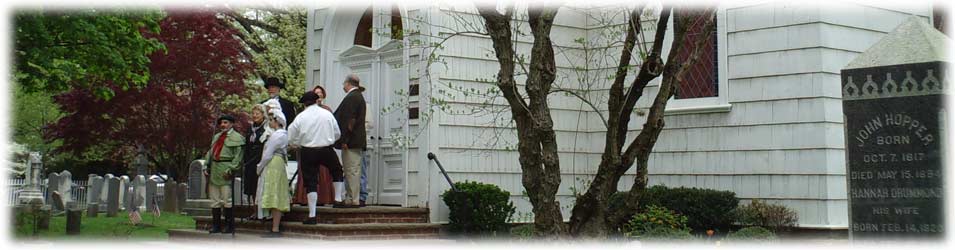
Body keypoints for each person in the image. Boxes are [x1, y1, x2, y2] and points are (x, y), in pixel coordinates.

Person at [288, 90, 346, 224]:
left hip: (308, 151)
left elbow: (290, 136)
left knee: (311, 182)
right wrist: (329, 139)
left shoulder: (300, 117)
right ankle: (337, 199)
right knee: (337, 171)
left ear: (304, 104)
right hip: (326, 149)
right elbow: (337, 133)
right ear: (316, 101)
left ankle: (312, 215)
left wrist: (297, 144)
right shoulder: (327, 114)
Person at [204, 114, 245, 234]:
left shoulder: (238, 138)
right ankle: (216, 225)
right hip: (214, 168)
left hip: (226, 168)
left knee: (227, 198)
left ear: (231, 124)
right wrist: (207, 165)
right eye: (221, 123)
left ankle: (229, 225)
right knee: (214, 199)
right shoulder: (217, 136)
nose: (223, 125)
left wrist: (231, 169)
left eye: (226, 122)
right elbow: (211, 152)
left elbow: (238, 156)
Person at [333, 74, 367, 208]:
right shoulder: (358, 96)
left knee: (351, 170)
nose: (343, 86)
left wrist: (344, 139)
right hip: (356, 140)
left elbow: (349, 121)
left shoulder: (352, 97)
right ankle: (352, 197)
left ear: (348, 83)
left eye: (344, 83)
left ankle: (352, 199)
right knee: (353, 169)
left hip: (351, 141)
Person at [257, 107, 290, 237]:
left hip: (273, 164)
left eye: (271, 120)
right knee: (275, 192)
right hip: (278, 163)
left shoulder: (278, 135)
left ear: (277, 121)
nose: (269, 122)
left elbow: (268, 154)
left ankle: (275, 228)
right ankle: (274, 227)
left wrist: (259, 167)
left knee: (274, 192)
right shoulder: (282, 134)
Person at [241, 104, 268, 218]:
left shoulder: (265, 128)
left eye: (258, 113)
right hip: (249, 161)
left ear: (263, 115)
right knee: (251, 188)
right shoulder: (250, 128)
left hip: (259, 159)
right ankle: (254, 210)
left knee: (259, 187)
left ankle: (261, 211)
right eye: (253, 113)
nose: (255, 115)